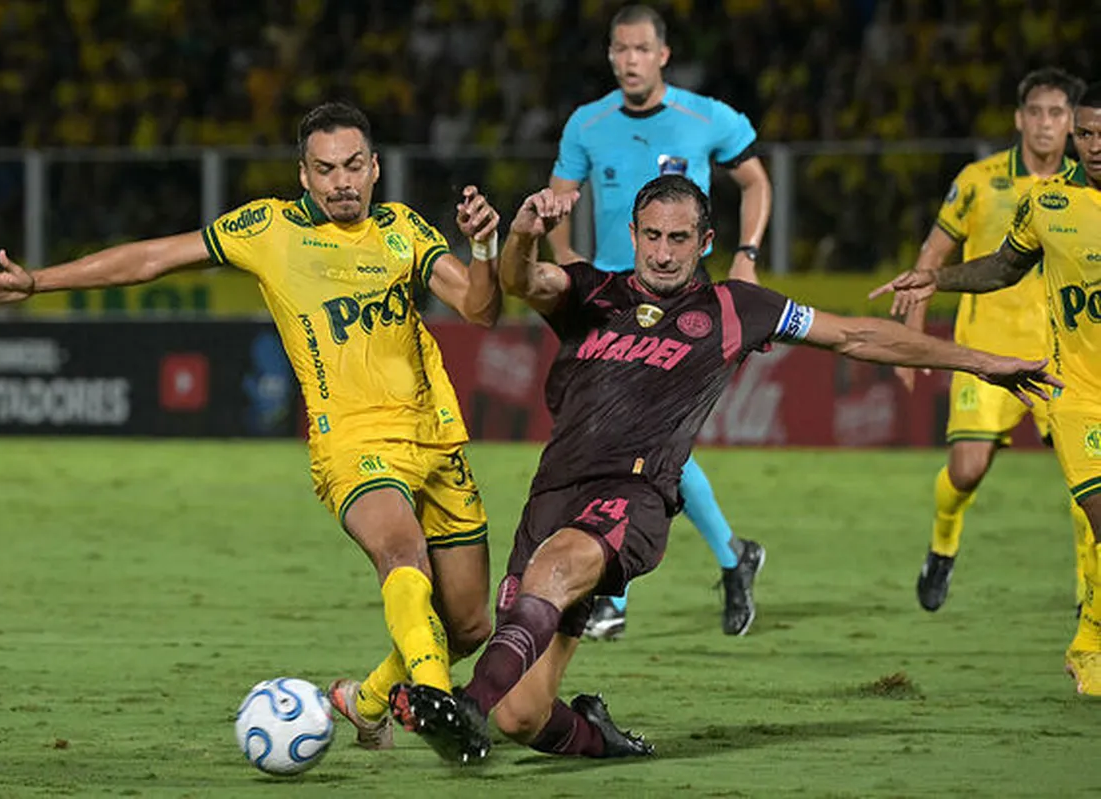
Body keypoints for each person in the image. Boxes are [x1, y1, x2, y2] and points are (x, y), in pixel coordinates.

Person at [387, 175, 1060, 763]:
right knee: (525, 714)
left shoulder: (736, 308)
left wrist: (984, 360)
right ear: (633, 232)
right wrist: (525, 232)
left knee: (551, 578)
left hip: (633, 497)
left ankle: (465, 706)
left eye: (679, 238)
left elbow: (855, 334)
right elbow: (518, 281)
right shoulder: (593, 291)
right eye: (651, 235)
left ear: (706, 241)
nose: (663, 251)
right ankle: (592, 734)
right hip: (551, 498)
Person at [0, 102, 504, 748]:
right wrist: (39, 281)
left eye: (353, 166)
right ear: (303, 175)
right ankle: (435, 698)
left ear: (377, 168)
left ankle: (368, 699)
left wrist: (485, 247)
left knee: (467, 624)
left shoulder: (405, 230)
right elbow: (154, 258)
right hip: (352, 441)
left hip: (436, 440)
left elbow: (482, 308)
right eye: (325, 170)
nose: (341, 182)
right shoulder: (268, 227)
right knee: (401, 552)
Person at [548, 3, 775, 640]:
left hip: (685, 305)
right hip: (615, 306)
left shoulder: (707, 118)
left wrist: (748, 255)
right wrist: (569, 268)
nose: (629, 60)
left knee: (639, 442)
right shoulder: (587, 124)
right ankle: (733, 557)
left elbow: (756, 181)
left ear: (663, 55)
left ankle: (611, 594)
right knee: (643, 446)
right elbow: (559, 201)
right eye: (619, 50)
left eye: (641, 49)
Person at [872, 82, 1101, 696]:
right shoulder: (990, 184)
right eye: (1045, 114)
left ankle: (1089, 625)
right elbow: (976, 258)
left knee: (1090, 506)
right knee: (969, 470)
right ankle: (943, 542)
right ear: (1022, 118)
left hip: (1060, 354)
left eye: (1063, 116)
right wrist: (917, 324)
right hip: (1007, 359)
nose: (1056, 127)